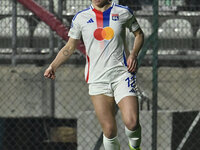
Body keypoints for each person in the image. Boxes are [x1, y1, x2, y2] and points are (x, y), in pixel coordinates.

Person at [44, 0, 144, 150]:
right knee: (109, 131)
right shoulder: (81, 18)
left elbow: (139, 35)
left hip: (122, 75)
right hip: (97, 80)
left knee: (132, 122)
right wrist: (53, 65)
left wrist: (134, 54)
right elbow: (70, 46)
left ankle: (135, 148)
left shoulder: (123, 12)